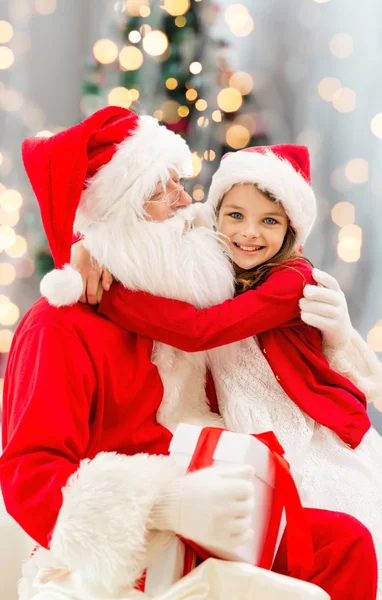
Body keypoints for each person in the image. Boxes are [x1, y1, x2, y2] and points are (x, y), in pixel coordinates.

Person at [0, 109, 378, 600]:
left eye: (181, 182)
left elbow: (239, 242)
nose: (186, 200)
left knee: (346, 544)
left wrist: (338, 337)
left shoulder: (180, 292)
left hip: (216, 512)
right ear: (120, 213)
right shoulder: (59, 326)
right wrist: (164, 504)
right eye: (162, 189)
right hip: (130, 543)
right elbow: (30, 476)